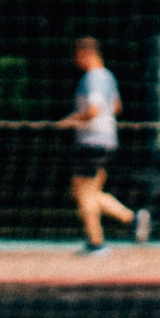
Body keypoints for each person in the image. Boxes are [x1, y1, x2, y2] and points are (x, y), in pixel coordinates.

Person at [59, 36, 136, 254]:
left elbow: (93, 110)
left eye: (77, 56)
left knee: (84, 193)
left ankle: (96, 244)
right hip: (107, 141)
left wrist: (71, 121)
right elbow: (116, 106)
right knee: (87, 191)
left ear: (85, 53)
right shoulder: (108, 76)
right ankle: (132, 218)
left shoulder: (92, 77)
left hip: (92, 142)